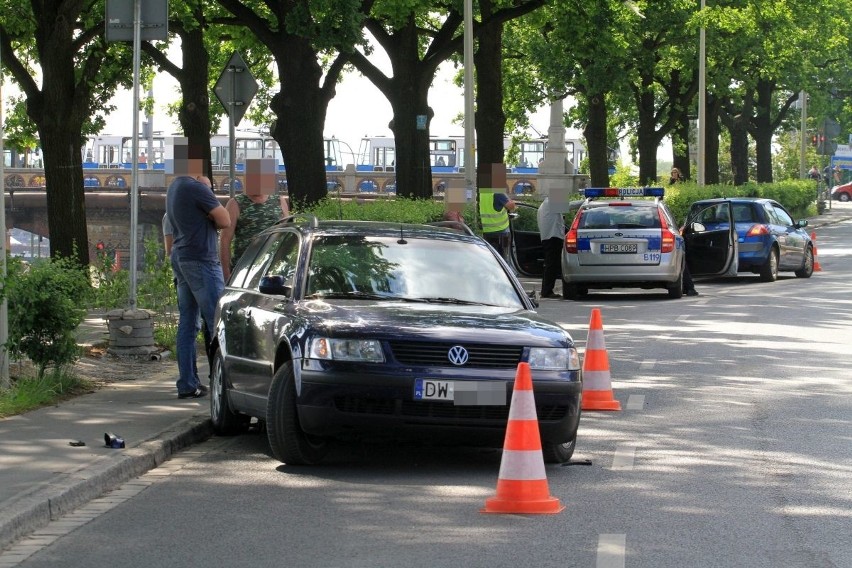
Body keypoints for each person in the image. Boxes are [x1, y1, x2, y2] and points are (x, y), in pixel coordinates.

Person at [167, 166, 229, 399]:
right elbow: (225, 219)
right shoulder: (195, 187)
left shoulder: (174, 187)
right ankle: (223, 386)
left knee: (188, 323)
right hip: (201, 259)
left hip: (181, 256)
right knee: (218, 322)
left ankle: (187, 382)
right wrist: (208, 195)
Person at [219, 180, 289, 281]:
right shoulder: (236, 203)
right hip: (245, 269)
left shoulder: (278, 200)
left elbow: (286, 234)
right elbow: (225, 240)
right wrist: (226, 275)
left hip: (274, 269)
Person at [537, 197, 565, 299]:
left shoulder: (544, 205)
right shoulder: (551, 202)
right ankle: (547, 291)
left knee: (550, 264)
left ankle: (546, 290)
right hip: (553, 237)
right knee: (551, 265)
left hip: (548, 237)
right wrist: (585, 201)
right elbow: (569, 205)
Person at [479, 188, 516, 260]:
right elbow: (511, 206)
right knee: (504, 258)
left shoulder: (482, 193)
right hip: (502, 232)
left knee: (491, 258)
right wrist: (513, 203)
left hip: (487, 232)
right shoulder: (498, 193)